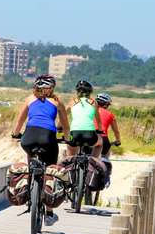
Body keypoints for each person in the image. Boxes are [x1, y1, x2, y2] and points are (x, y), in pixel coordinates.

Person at [11, 74, 69, 226]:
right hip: (48, 139)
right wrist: (68, 138)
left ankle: (28, 189)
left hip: (28, 138)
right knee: (50, 170)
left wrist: (15, 133)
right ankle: (49, 213)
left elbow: (20, 121)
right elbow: (65, 125)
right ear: (52, 88)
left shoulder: (29, 99)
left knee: (31, 160)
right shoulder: (57, 101)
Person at [66, 79, 103, 158]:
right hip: (89, 135)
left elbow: (64, 116)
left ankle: (69, 163)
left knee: (70, 148)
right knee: (100, 143)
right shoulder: (93, 102)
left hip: (74, 134)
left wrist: (59, 128)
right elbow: (98, 121)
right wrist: (100, 130)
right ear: (90, 92)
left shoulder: (72, 101)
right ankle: (93, 161)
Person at [94, 92, 121, 157]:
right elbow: (116, 131)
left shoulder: (89, 111)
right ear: (106, 104)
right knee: (105, 158)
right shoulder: (110, 115)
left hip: (88, 137)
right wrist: (118, 141)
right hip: (103, 139)